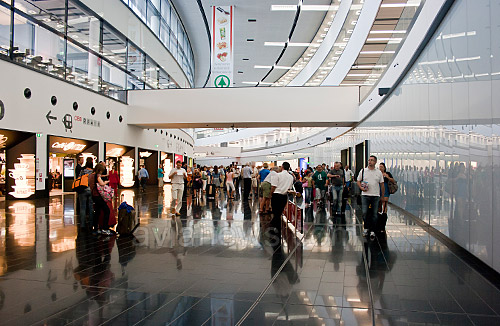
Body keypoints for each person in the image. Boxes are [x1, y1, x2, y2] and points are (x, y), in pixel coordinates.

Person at [357, 155, 385, 240]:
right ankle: (366, 228)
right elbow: (358, 180)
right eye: (369, 160)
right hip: (365, 195)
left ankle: (373, 229)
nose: (370, 161)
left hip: (375, 195)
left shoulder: (379, 172)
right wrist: (361, 187)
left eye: (372, 160)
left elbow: (382, 184)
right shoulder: (363, 171)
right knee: (365, 212)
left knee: (374, 214)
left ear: (375, 162)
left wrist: (382, 196)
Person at [270, 162, 294, 237]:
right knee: (279, 212)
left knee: (275, 213)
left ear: (282, 167)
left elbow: (273, 186)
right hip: (284, 196)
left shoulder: (277, 175)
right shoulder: (291, 177)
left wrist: (271, 194)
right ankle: (276, 228)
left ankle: (274, 228)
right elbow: (289, 188)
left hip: (276, 195)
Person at [90, 163, 112, 235]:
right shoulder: (97, 176)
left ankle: (95, 228)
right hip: (98, 196)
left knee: (97, 212)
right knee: (106, 210)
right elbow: (101, 183)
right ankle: (105, 228)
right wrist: (106, 182)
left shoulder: (91, 175)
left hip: (93, 196)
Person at [78, 160, 94, 231]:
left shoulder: (82, 171)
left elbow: (78, 178)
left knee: (83, 207)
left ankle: (83, 224)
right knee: (91, 207)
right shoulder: (93, 172)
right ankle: (91, 224)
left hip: (83, 190)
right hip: (91, 190)